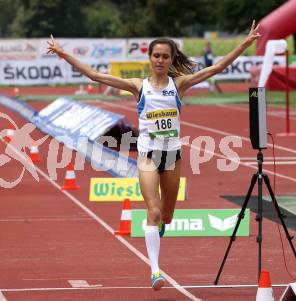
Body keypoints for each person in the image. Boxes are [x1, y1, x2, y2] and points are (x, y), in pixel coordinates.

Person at [47, 21, 260, 290]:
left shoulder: (178, 85)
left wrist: (245, 42)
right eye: (156, 55)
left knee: (167, 217)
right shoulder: (139, 86)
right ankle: (156, 271)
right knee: (154, 212)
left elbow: (217, 68)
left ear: (171, 60)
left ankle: (159, 228)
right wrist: (63, 53)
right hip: (147, 157)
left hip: (172, 158)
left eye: (165, 56)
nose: (160, 60)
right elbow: (93, 75)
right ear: (149, 58)